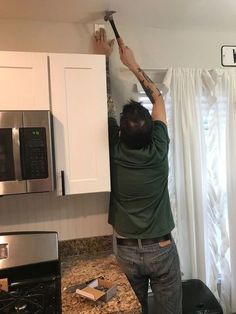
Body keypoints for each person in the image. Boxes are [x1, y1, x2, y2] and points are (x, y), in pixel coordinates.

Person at [94, 28, 182, 314]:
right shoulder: (159, 148)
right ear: (151, 128)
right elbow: (157, 99)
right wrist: (132, 65)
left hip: (127, 250)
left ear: (120, 132)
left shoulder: (114, 151)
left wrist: (101, 60)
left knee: (133, 310)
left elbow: (102, 102)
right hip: (162, 247)